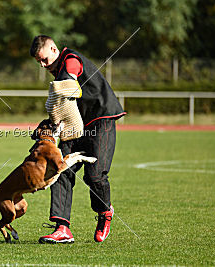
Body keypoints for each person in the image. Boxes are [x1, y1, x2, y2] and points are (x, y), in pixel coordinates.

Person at [30, 35, 126, 243]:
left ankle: (104, 212)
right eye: (39, 61)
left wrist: (65, 84)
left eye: (44, 59)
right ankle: (62, 228)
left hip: (101, 121)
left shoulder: (70, 60)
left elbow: (70, 82)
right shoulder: (56, 71)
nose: (43, 65)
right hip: (76, 127)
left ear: (54, 50)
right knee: (60, 169)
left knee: (95, 176)